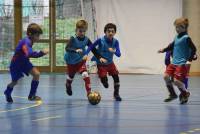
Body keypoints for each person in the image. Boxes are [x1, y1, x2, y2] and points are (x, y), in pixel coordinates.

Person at [4, 23, 49, 103]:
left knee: (36, 74)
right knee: (15, 81)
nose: (38, 38)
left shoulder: (29, 40)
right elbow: (30, 54)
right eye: (37, 35)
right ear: (30, 34)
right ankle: (7, 92)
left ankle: (32, 95)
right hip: (16, 63)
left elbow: (27, 55)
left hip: (24, 61)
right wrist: (42, 53)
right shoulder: (26, 42)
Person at [158, 18, 197, 104]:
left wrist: (189, 60)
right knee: (165, 76)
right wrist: (163, 50)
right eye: (176, 27)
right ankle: (172, 94)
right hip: (174, 62)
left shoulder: (186, 38)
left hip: (182, 63)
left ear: (185, 28)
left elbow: (194, 49)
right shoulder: (176, 37)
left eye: (180, 27)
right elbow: (171, 46)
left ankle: (185, 93)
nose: (178, 29)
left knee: (176, 81)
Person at [64, 19, 101, 96]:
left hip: (80, 60)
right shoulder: (73, 38)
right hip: (71, 61)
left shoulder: (86, 39)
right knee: (71, 77)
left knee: (85, 75)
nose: (82, 33)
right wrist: (76, 50)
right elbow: (67, 48)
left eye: (84, 31)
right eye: (80, 31)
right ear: (76, 30)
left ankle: (89, 93)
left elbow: (93, 49)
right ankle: (68, 84)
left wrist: (99, 57)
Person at [86, 23, 122, 101]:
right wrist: (85, 54)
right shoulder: (100, 40)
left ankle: (116, 94)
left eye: (112, 31)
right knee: (105, 82)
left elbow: (119, 54)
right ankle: (103, 81)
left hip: (110, 63)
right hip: (101, 64)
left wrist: (114, 51)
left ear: (115, 33)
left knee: (116, 77)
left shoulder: (116, 42)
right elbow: (91, 46)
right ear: (105, 32)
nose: (111, 33)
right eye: (109, 31)